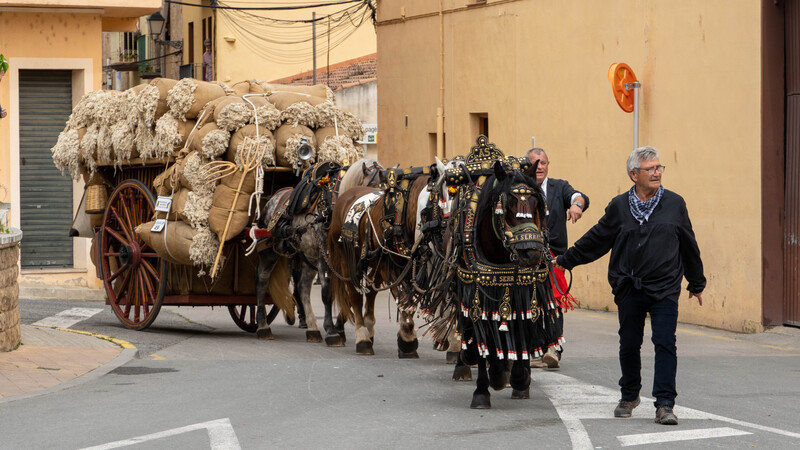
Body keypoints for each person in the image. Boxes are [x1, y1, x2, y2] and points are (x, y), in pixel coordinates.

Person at [555, 146, 705, 425]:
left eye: (660, 168)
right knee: (629, 344)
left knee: (664, 343)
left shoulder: (674, 203)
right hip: (629, 286)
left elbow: (688, 243)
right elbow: (597, 238)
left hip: (665, 287)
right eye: (651, 169)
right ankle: (629, 394)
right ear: (634, 174)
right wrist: (567, 260)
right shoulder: (619, 206)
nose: (657, 172)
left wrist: (696, 282)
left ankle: (664, 404)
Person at [526, 147, 589, 369]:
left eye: (543, 162)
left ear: (548, 164)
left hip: (554, 257)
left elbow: (578, 196)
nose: (539, 166)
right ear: (527, 166)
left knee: (553, 302)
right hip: (526, 257)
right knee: (529, 303)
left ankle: (553, 350)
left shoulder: (559, 187)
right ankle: (535, 350)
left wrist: (576, 205)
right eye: (535, 163)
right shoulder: (520, 189)